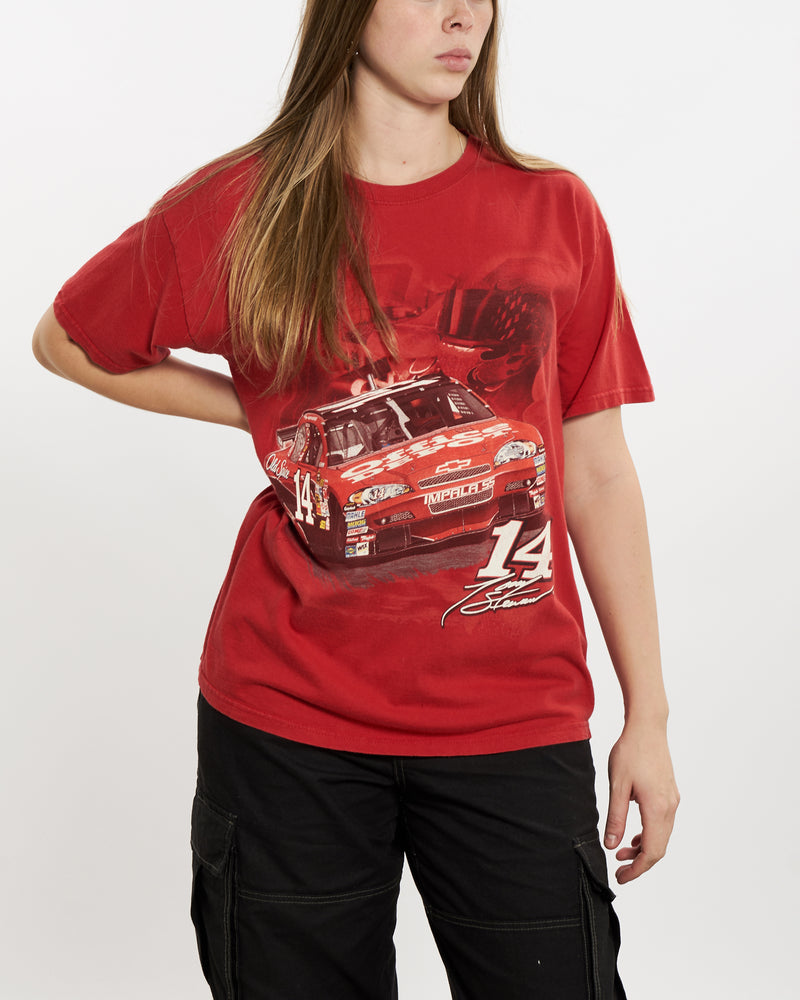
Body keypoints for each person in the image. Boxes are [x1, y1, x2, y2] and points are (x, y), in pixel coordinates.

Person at [32, 0, 679, 996]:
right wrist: (265, 412)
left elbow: (594, 472)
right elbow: (69, 342)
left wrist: (649, 716)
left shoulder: (553, 209)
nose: (463, 15)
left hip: (514, 720)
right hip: (289, 722)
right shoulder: (245, 207)